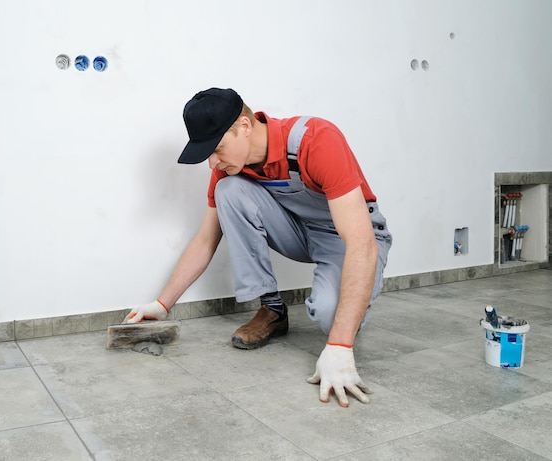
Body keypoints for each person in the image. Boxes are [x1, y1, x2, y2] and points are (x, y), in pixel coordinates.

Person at [124, 88, 392, 407]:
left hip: (348, 237)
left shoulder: (317, 139)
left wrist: (340, 345)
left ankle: (347, 315)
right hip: (299, 231)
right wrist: (162, 304)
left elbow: (362, 244)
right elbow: (205, 240)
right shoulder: (227, 168)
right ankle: (272, 310)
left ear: (245, 127)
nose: (212, 162)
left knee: (329, 316)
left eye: (217, 148)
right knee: (230, 190)